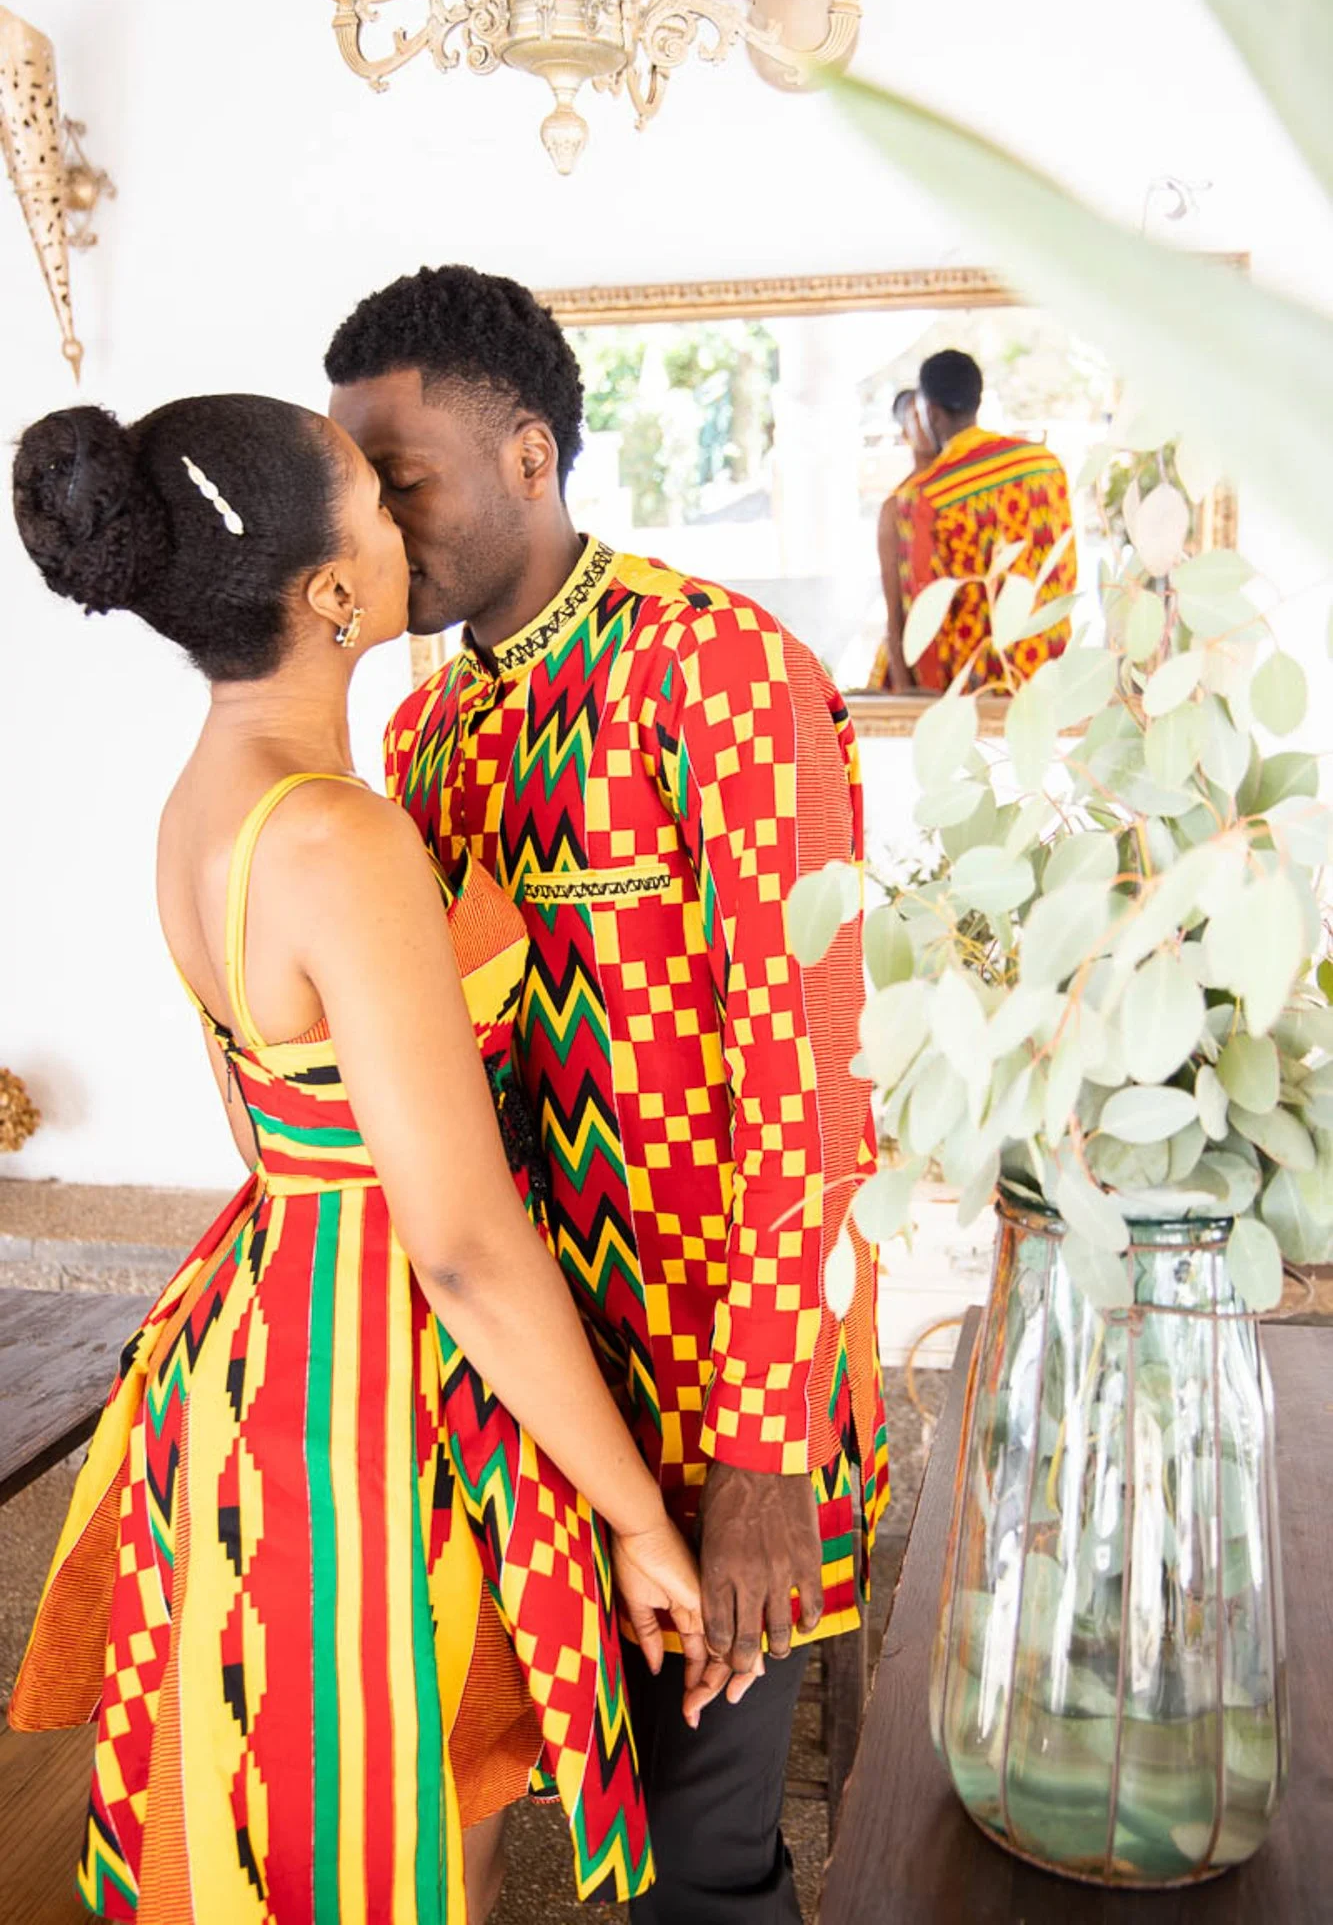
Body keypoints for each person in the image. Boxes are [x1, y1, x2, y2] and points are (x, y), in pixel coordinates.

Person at [7, 395, 720, 1925]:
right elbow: (459, 1242)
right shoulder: (338, 836)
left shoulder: (201, 804)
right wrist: (638, 1516)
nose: (410, 530)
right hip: (360, 1389)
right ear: (333, 592)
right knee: (383, 1792)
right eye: (378, 511)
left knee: (294, 1783)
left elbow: (281, 1126)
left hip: (252, 1326)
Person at [327, 265, 889, 1925]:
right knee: (560, 1819)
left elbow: (808, 1076)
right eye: (354, 488)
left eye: (400, 475)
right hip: (532, 1396)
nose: (377, 522)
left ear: (525, 455)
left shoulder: (716, 670)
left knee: (703, 1864)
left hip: (720, 1401)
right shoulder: (426, 736)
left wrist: (763, 1457)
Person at [875, 348, 1077, 692]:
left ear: (931, 412)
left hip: (973, 695)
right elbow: (1064, 573)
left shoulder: (925, 498)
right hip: (1048, 677)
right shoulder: (1044, 465)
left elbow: (923, 620)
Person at [868, 386, 936, 690]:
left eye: (932, 412)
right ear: (905, 433)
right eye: (917, 416)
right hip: (913, 663)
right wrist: (904, 684)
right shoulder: (896, 508)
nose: (929, 422)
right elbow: (894, 609)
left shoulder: (962, 492)